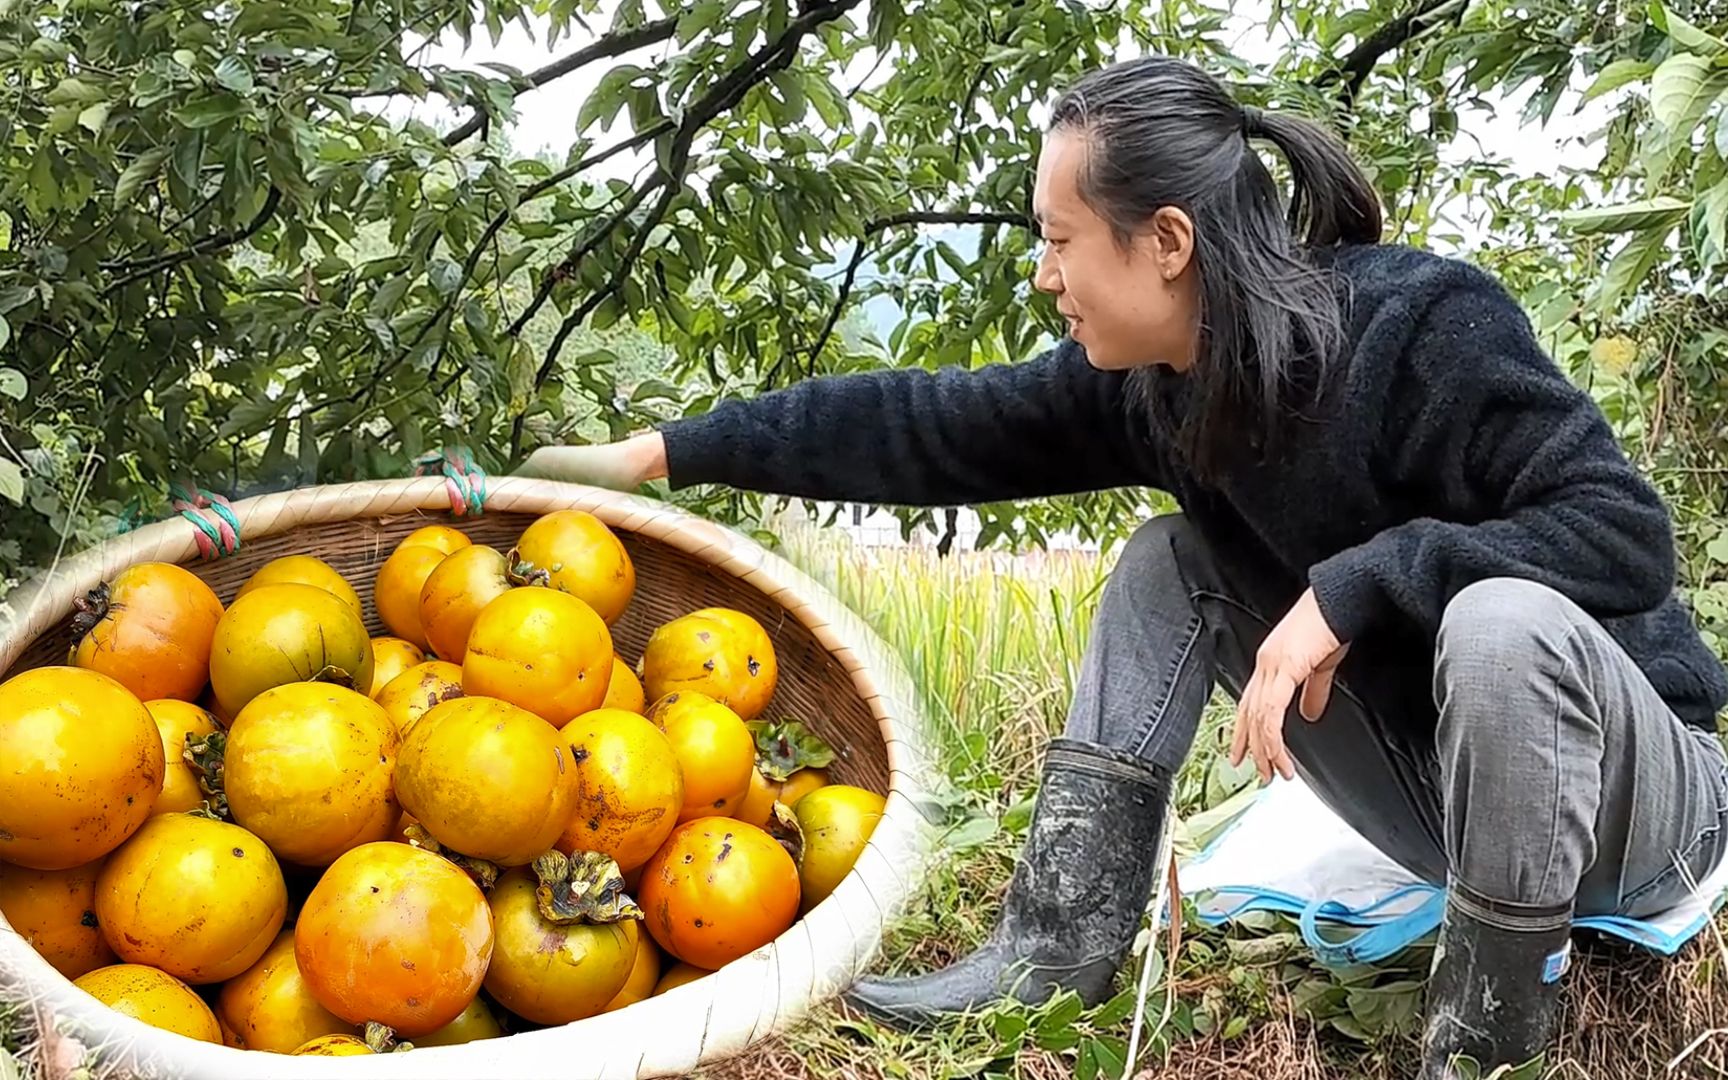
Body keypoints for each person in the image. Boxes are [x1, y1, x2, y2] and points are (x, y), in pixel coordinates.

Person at [517, 55, 1728, 1078]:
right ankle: (1054, 946)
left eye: (1059, 240)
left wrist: (1358, 584)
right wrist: (657, 454)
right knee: (1171, 559)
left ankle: (1487, 1037)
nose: (1048, 276)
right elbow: (925, 423)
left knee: (1500, 623)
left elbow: (1623, 534)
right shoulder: (1156, 385)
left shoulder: (1422, 327)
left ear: (1165, 242)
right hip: (1442, 811)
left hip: (1636, 810)